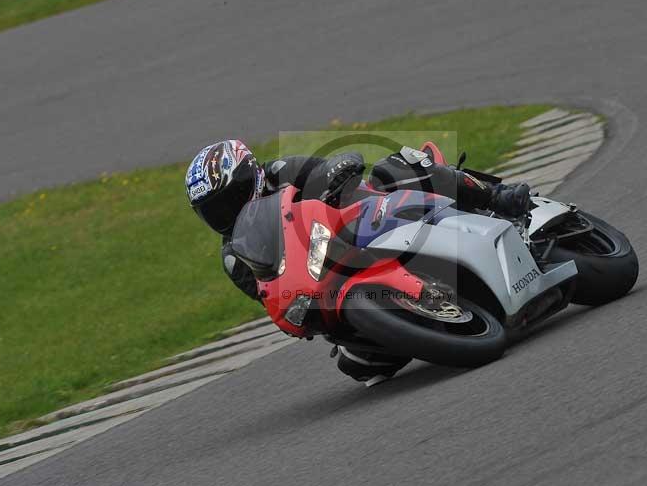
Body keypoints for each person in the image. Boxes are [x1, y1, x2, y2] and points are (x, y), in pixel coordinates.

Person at [185, 139, 531, 384]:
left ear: (250, 176)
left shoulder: (282, 170)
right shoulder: (235, 254)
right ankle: (419, 318)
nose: (225, 214)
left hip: (367, 220)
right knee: (360, 367)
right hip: (328, 283)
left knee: (397, 167)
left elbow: (335, 164)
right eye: (213, 210)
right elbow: (269, 290)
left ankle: (498, 198)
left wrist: (338, 171)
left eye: (229, 199)